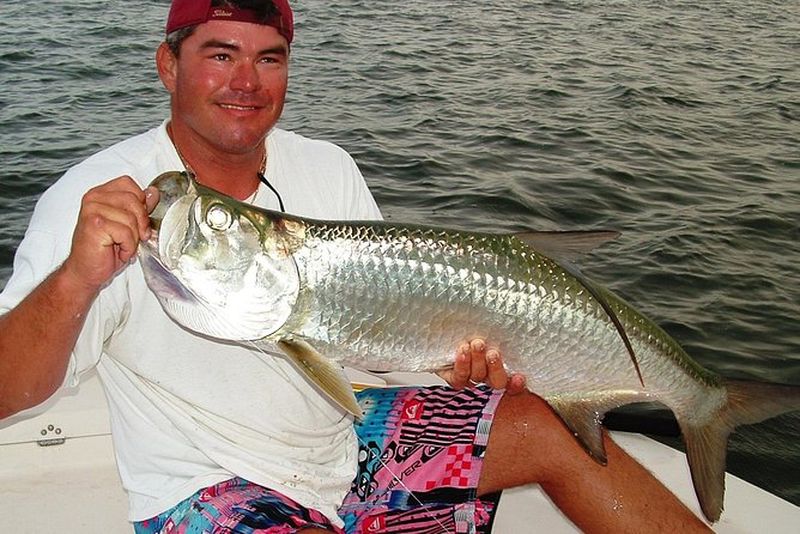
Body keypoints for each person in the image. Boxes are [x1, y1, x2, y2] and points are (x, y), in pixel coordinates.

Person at [0, 1, 711, 533]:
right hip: (206, 483)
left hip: (343, 440)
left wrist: (453, 360)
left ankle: (705, 407)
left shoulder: (327, 166)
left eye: (269, 58)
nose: (246, 81)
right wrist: (75, 279)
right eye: (220, 54)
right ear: (168, 65)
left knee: (545, 426)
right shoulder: (100, 201)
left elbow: (372, 343)